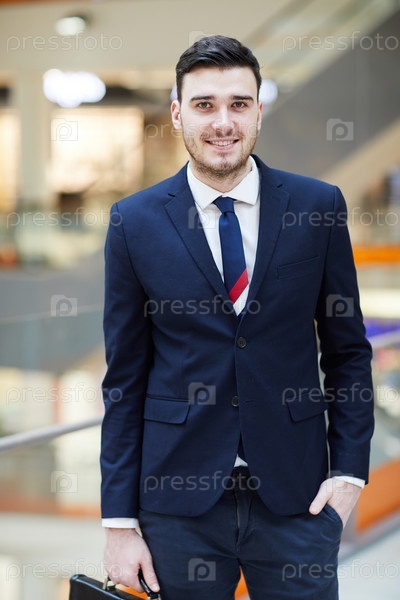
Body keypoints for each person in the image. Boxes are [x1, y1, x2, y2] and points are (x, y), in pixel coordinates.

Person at [100, 35, 374, 600]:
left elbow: (347, 352)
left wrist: (348, 475)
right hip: (176, 504)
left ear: (258, 111)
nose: (223, 122)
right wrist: (119, 524)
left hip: (299, 498)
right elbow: (124, 379)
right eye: (204, 105)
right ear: (178, 113)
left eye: (239, 104)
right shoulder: (134, 221)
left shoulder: (317, 207)